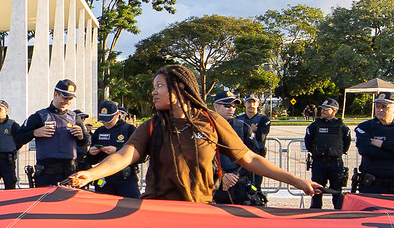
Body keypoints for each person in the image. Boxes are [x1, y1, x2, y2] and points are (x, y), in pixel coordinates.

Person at [73, 65, 321, 204]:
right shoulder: (152, 125)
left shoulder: (212, 122)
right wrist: (90, 174)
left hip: (200, 212)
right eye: (153, 88)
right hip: (156, 211)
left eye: (159, 86)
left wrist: (296, 181)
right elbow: (124, 156)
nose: (153, 92)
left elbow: (249, 158)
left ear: (179, 87)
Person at [21, 79, 88, 188]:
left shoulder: (75, 118)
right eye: (65, 98)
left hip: (69, 174)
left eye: (70, 99)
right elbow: (18, 138)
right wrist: (34, 133)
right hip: (46, 174)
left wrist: (81, 137)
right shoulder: (39, 116)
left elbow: (86, 143)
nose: (67, 102)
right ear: (55, 94)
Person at [350, 93, 394, 195]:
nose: (380, 110)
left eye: (384, 107)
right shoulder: (365, 127)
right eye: (377, 107)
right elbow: (366, 150)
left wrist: (382, 144)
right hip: (372, 185)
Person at [302, 100, 350, 210]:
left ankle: (338, 212)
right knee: (317, 190)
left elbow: (346, 143)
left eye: (326, 109)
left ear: (334, 111)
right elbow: (308, 141)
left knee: (337, 190)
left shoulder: (342, 127)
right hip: (319, 162)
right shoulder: (314, 125)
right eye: (322, 108)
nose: (322, 111)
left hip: (335, 162)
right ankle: (315, 210)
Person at [86, 101, 139, 197]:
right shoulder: (99, 131)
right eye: (103, 120)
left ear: (117, 115)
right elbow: (91, 160)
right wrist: (91, 153)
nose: (105, 123)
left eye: (108, 120)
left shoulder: (129, 129)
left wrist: (117, 150)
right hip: (105, 178)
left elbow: (138, 155)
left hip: (125, 179)